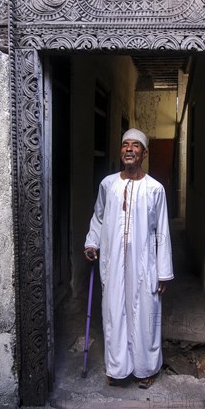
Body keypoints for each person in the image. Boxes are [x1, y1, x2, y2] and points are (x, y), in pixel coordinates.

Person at [84, 128, 174, 389]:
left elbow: (163, 231)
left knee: (145, 313)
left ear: (144, 153)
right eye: (125, 145)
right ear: (120, 151)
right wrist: (92, 241)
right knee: (114, 312)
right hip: (112, 263)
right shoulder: (108, 184)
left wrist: (163, 271)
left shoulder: (155, 189)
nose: (130, 150)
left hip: (145, 265)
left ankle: (146, 368)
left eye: (136, 146)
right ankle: (118, 367)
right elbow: (99, 217)